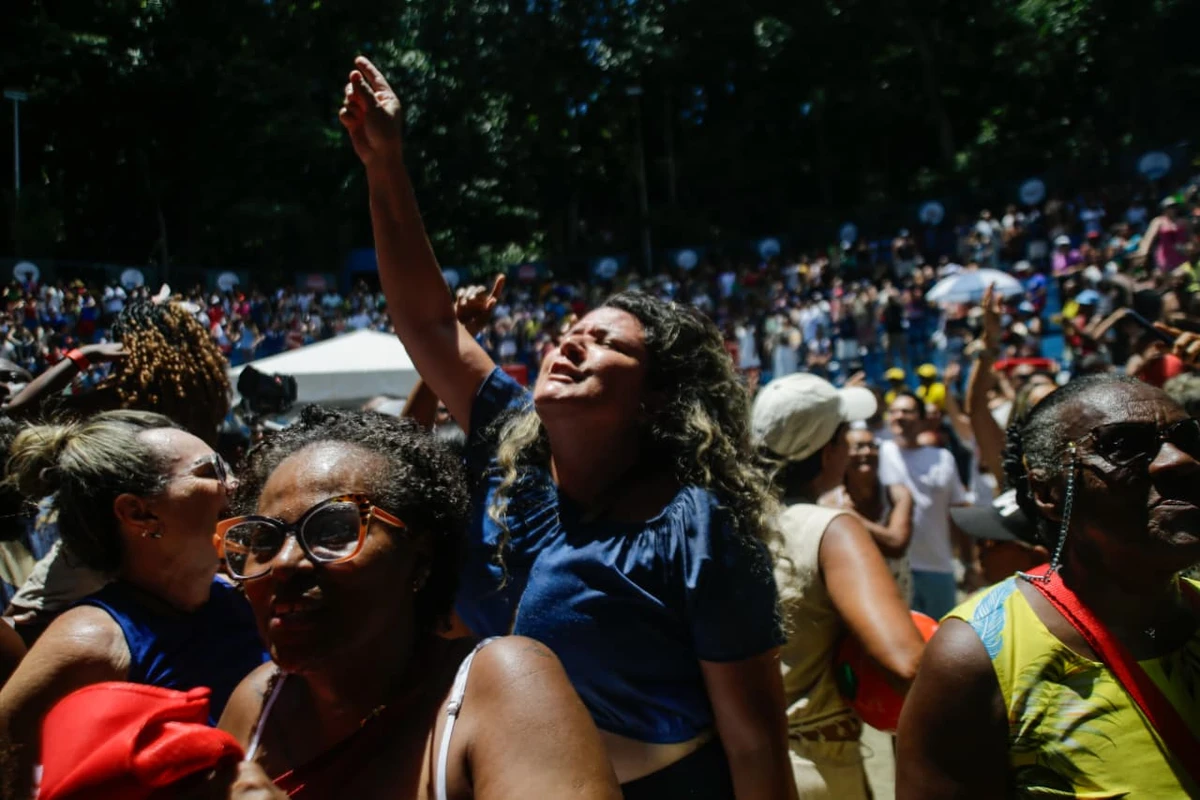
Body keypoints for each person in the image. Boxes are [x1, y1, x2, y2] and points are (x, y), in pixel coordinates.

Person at [339, 57, 794, 797]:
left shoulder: (699, 528)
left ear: (659, 400)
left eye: (609, 343)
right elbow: (427, 321)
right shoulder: (509, 433)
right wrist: (385, 162)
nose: (571, 342)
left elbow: (757, 753)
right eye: (571, 331)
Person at [217, 406, 621, 799]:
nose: (285, 563)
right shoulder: (257, 702)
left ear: (420, 559)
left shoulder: (500, 685)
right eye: (265, 539)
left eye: (332, 530)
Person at [897, 375, 1200, 798]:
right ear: (1048, 492)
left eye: (1189, 438)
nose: (1179, 461)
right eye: (1124, 445)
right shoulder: (976, 657)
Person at [0, 411, 266, 797]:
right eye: (211, 472)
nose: (235, 483)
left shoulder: (244, 598)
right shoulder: (89, 640)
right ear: (138, 513)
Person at [752, 374, 924, 798]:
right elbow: (907, 663)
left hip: (745, 758)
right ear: (828, 450)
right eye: (845, 436)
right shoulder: (830, 529)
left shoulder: (730, 520)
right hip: (817, 769)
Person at [878, 393, 970, 618]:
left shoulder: (943, 458)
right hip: (892, 568)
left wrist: (969, 562)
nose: (899, 417)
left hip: (938, 567)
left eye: (907, 411)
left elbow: (958, 512)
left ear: (922, 419)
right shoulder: (877, 453)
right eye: (894, 411)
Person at [822, 425, 915, 604]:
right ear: (843, 454)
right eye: (858, 447)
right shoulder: (828, 502)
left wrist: (849, 517)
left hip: (898, 597)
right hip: (852, 598)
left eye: (872, 446)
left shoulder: (898, 495)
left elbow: (897, 543)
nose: (867, 452)